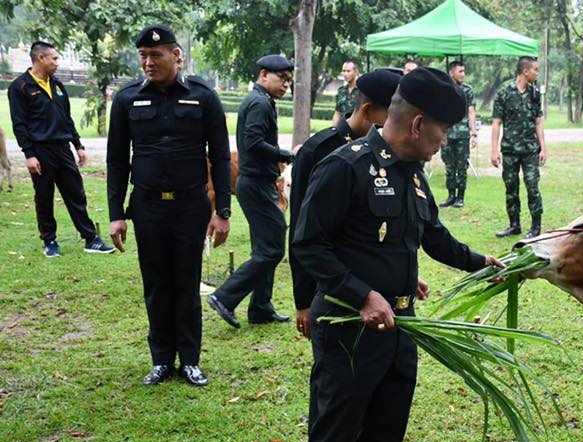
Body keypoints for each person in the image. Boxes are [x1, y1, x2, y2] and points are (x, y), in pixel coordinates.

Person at [291, 67, 503, 442]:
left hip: (400, 327)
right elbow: (308, 244)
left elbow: (432, 237)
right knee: (337, 432)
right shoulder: (346, 167)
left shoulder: (413, 172)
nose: (444, 143)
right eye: (443, 134)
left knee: (384, 430)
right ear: (418, 125)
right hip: (348, 326)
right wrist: (362, 294)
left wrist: (483, 263)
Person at [107, 24, 231, 387]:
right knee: (157, 284)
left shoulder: (203, 97)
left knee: (187, 283)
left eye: (155, 55)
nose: (148, 62)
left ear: (177, 56)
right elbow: (117, 160)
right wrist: (116, 214)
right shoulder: (127, 99)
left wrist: (222, 211)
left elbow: (221, 158)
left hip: (190, 206)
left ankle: (190, 359)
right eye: (143, 55)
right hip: (147, 207)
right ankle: (161, 359)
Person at [288, 68, 402, 338]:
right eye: (391, 117)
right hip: (331, 288)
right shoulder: (319, 151)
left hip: (372, 287)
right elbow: (301, 232)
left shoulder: (388, 153)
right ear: (367, 110)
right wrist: (303, 301)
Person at [208, 55, 296, 329]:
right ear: (264, 74)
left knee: (265, 246)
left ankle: (260, 307)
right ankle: (224, 297)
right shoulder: (258, 103)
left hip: (257, 182)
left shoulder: (261, 100)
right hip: (256, 184)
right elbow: (254, 142)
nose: (285, 85)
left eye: (289, 81)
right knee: (271, 250)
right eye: (282, 78)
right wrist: (287, 155)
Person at [8, 41, 113, 257]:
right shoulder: (20, 87)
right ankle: (50, 241)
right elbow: (19, 125)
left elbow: (66, 118)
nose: (57, 62)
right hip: (40, 151)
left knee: (76, 193)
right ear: (41, 58)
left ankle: (90, 239)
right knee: (44, 196)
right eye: (54, 58)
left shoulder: (57, 85)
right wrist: (29, 154)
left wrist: (78, 145)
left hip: (63, 148)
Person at [491, 56, 546, 239]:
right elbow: (497, 123)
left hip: (530, 150)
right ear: (525, 71)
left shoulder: (535, 94)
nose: (537, 73)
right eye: (535, 69)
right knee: (511, 187)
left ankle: (535, 227)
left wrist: (543, 148)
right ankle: (514, 225)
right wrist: (494, 150)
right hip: (510, 150)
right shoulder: (504, 93)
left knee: (532, 186)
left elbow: (539, 122)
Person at [438, 60, 476, 209]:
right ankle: (450, 195)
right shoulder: (444, 89)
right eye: (460, 71)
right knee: (449, 166)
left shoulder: (467, 90)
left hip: (462, 135)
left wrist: (474, 133)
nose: (463, 74)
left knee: (461, 167)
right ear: (451, 72)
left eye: (464, 71)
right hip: (447, 133)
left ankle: (460, 197)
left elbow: (472, 112)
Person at [331, 60, 360, 126]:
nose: (345, 74)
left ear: (356, 72)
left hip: (357, 129)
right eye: (343, 71)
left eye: (348, 71)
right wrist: (334, 129)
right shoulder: (341, 90)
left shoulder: (362, 90)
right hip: (342, 128)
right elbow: (337, 112)